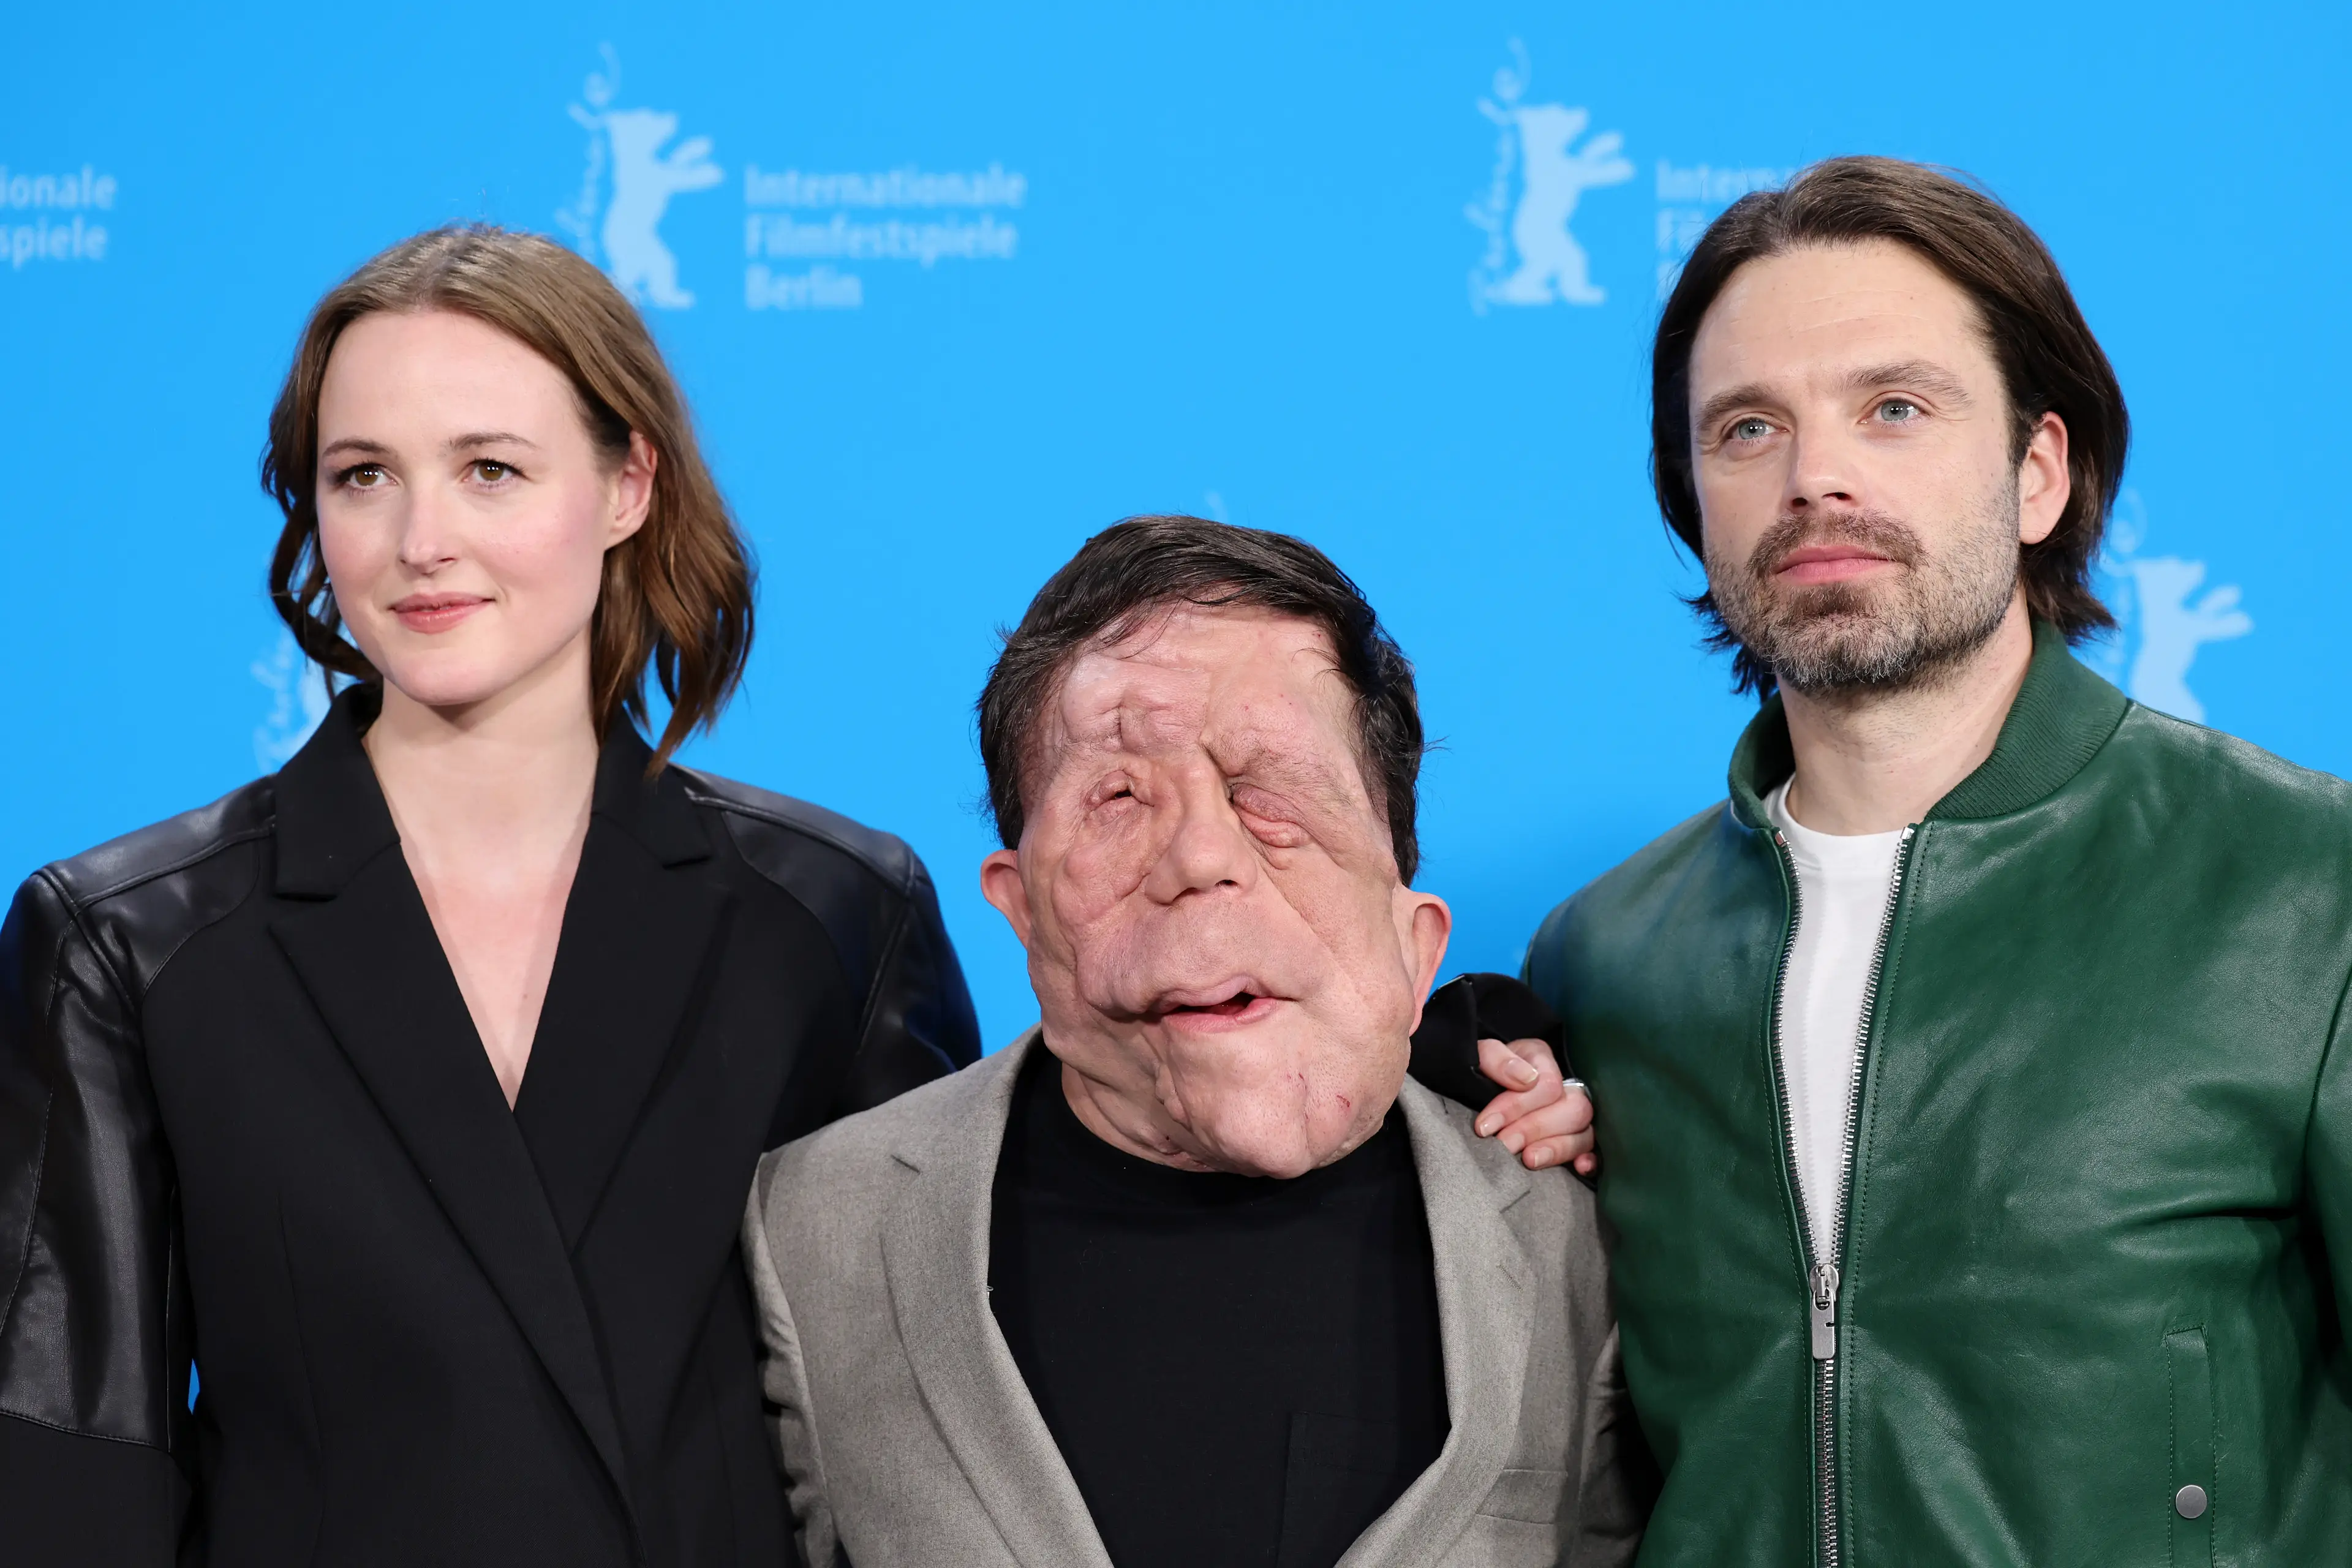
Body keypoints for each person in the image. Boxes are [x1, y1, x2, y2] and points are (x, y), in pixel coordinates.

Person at [0, 225, 980, 1566]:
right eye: (362, 477)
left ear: (628, 483)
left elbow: (923, 1437)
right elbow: (69, 1469)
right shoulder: (128, 941)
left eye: (490, 470)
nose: (421, 541)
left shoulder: (832, 916)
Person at [1447, 156, 2352, 1562]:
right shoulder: (1609, 956)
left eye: (1895, 408)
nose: (1818, 476)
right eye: (1747, 428)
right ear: (1693, 497)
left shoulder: (2308, 886)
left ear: (2039, 471)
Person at [742, 516, 1645, 1568]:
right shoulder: (809, 1228)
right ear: (1020, 908)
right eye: (1118, 799)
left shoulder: (1588, 1234)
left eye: (1271, 800)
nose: (1200, 858)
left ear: (1415, 935)